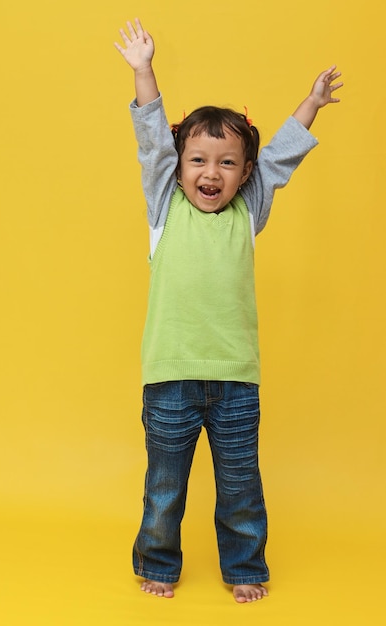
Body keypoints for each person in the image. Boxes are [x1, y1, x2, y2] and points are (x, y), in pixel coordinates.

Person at [114, 18, 342, 603]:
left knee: (240, 484)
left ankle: (244, 567)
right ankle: (159, 563)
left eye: (226, 163)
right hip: (169, 378)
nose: (210, 173)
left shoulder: (249, 211)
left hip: (237, 379)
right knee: (165, 487)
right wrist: (144, 70)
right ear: (179, 165)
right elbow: (151, 143)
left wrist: (312, 104)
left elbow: (281, 159)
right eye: (197, 160)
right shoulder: (164, 207)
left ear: (244, 175)